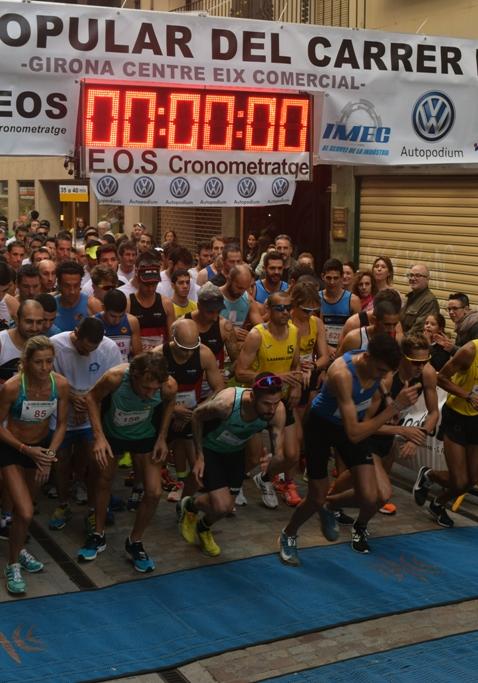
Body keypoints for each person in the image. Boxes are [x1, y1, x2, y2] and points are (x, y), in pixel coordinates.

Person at [278, 334, 420, 565]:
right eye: (380, 370)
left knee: (370, 497)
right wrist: (395, 406)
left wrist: (387, 398)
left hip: (349, 425)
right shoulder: (342, 374)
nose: (381, 376)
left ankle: (329, 504)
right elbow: (354, 433)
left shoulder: (380, 370)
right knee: (315, 496)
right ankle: (289, 533)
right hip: (321, 427)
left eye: (386, 372)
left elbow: (370, 405)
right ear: (367, 357)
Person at [78, 353, 176, 571]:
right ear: (134, 376)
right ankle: (98, 534)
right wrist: (99, 437)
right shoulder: (114, 378)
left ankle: (135, 541)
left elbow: (170, 404)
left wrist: (162, 437)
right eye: (145, 388)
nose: (150, 394)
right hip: (113, 435)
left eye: (154, 389)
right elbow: (91, 398)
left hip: (145, 436)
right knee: (103, 481)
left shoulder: (167, 386)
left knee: (153, 492)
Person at [329, 333, 439, 522]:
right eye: (415, 362)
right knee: (381, 494)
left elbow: (434, 413)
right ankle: (336, 509)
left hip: (388, 439)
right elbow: (364, 425)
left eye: (425, 361)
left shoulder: (427, 373)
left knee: (355, 478)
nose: (421, 367)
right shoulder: (387, 378)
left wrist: (418, 436)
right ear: (402, 358)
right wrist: (402, 430)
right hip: (367, 435)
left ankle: (329, 503)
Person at [179, 373, 286, 556]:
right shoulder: (226, 404)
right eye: (266, 404)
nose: (271, 409)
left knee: (226, 507)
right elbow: (196, 416)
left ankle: (200, 520)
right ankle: (194, 513)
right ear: (252, 396)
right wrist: (200, 456)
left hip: (235, 451)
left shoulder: (278, 411)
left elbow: (279, 451)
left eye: (275, 403)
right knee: (221, 506)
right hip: (211, 449)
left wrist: (274, 459)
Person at [0, 337, 69, 594]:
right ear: (26, 363)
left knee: (26, 511)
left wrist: (48, 455)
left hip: (40, 451)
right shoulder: (12, 388)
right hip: (13, 449)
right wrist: (25, 449)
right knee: (26, 511)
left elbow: (62, 424)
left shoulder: (60, 385)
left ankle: (19, 548)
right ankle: (13, 565)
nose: (44, 368)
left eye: (49, 361)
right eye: (38, 362)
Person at [49, 318, 122, 531]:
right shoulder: (55, 345)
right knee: (60, 462)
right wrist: (72, 397)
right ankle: (63, 504)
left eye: (93, 349)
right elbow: (48, 378)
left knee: (95, 461)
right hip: (62, 412)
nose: (87, 354)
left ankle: (94, 507)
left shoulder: (109, 348)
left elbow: (114, 382)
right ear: (76, 334)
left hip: (93, 414)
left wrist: (90, 404)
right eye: (83, 348)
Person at [235, 290, 302, 507]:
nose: (285, 312)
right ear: (269, 310)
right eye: (279, 308)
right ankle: (234, 483)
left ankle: (264, 479)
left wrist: (296, 387)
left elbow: (296, 366)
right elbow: (240, 372)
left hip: (281, 401)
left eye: (288, 308)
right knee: (253, 457)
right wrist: (276, 378)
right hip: (257, 402)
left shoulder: (294, 331)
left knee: (290, 455)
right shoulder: (257, 335)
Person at [155, 318, 224, 501]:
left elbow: (219, 388)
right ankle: (162, 482)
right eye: (183, 349)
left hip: (192, 410)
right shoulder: (159, 354)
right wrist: (173, 408)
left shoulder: (204, 354)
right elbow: (148, 390)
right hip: (165, 408)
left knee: (189, 444)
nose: (187, 354)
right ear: (172, 338)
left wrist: (197, 410)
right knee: (161, 450)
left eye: (191, 349)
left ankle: (190, 485)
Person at [414, 338, 478, 528]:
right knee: (459, 482)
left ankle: (438, 504)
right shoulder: (469, 351)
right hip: (457, 417)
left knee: (471, 480)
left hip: (477, 421)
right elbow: (441, 378)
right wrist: (467, 395)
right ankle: (429, 475)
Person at [185, 283, 239, 391]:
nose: (215, 318)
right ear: (199, 306)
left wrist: (227, 374)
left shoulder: (225, 326)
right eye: (210, 312)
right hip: (188, 388)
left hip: (213, 390)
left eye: (218, 311)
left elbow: (237, 360)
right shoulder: (183, 325)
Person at [128, 254, 175, 350]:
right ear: (138, 279)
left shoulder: (166, 304)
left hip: (161, 358)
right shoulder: (128, 304)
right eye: (147, 284)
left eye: (154, 284)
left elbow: (172, 339)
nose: (151, 288)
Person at [319, 258, 361, 354]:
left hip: (345, 351)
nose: (332, 282)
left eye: (336, 278)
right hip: (322, 352)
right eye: (329, 278)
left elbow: (357, 333)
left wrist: (341, 350)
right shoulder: (317, 299)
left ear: (342, 277)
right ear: (322, 276)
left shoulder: (353, 301)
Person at [338, 296, 402, 356]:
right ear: (374, 320)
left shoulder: (397, 339)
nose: (391, 329)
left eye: (395, 324)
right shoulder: (354, 339)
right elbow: (339, 365)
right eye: (387, 324)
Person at [0, 300, 45, 382]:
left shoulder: (44, 346)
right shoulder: (2, 342)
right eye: (29, 322)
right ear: (17, 320)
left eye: (39, 322)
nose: (34, 328)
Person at [219, 265, 262, 343]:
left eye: (246, 288)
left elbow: (260, 327)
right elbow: (205, 328)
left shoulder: (247, 299)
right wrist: (229, 332)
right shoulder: (214, 297)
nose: (242, 292)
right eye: (239, 288)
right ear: (229, 280)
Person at [96, 289, 142, 361]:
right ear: (103, 308)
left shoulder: (132, 322)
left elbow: (138, 354)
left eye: (121, 316)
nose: (117, 321)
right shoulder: (95, 323)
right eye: (113, 316)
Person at [401, 263, 439, 334]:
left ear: (427, 279)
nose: (412, 278)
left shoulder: (429, 301)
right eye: (411, 275)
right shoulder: (410, 297)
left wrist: (399, 339)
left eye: (417, 275)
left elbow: (418, 332)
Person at [54, 261, 89, 332]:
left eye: (76, 286)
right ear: (59, 284)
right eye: (67, 286)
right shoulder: (50, 306)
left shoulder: (92, 305)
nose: (72, 291)